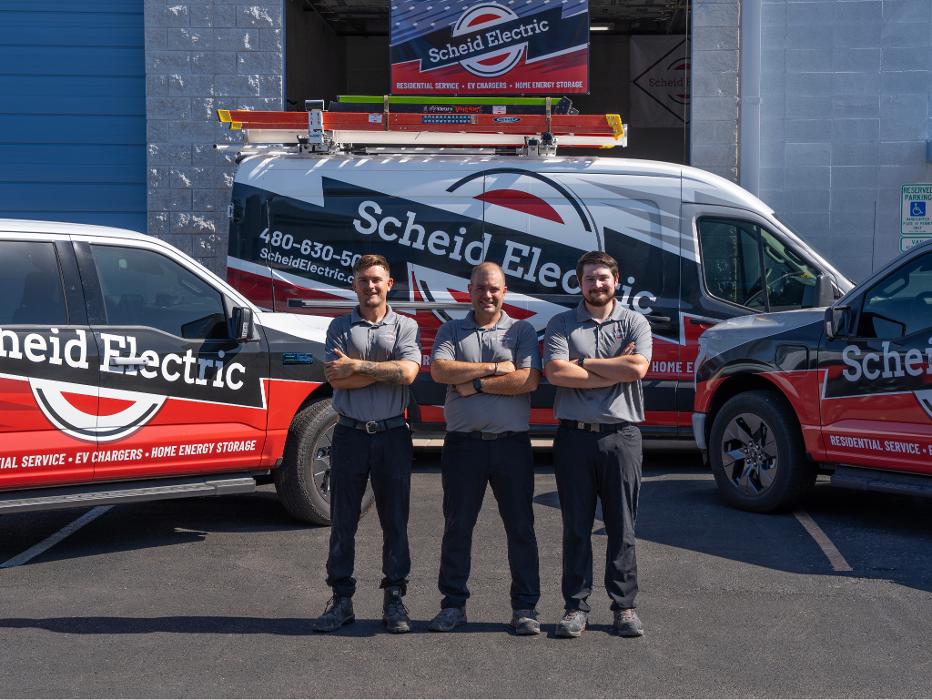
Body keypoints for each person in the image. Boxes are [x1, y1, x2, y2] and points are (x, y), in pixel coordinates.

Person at [427, 262, 542, 635]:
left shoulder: (522, 330)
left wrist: (473, 383)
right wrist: (496, 367)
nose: (487, 295)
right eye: (480, 288)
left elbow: (527, 380)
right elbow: (441, 371)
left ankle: (525, 608)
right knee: (457, 526)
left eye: (494, 289)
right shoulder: (451, 328)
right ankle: (453, 605)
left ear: (504, 291)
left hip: (512, 446)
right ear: (469, 290)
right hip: (464, 446)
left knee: (521, 528)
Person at [543, 250, 652, 638]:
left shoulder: (635, 322)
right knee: (576, 526)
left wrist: (584, 363)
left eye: (603, 277)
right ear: (579, 283)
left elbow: (637, 368)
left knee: (622, 527)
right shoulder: (561, 322)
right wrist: (610, 368)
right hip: (574, 437)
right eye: (589, 278)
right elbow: (556, 372)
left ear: (616, 280)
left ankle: (624, 608)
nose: (597, 284)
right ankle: (576, 607)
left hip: (622, 437)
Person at [312, 254, 421, 634]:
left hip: (393, 435)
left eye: (377, 279)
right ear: (354, 285)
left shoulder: (405, 325)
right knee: (343, 521)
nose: (370, 286)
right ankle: (341, 600)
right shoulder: (340, 325)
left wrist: (357, 366)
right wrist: (382, 372)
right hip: (350, 434)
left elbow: (408, 373)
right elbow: (337, 380)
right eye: (363, 280)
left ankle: (395, 598)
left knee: (396, 522)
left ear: (389, 283)